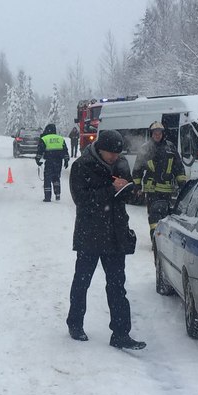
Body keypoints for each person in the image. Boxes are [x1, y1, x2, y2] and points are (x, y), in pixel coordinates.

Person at [67, 128, 146, 349]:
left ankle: (121, 334)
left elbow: (125, 193)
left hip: (115, 234)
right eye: (111, 153)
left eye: (118, 154)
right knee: (82, 282)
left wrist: (131, 191)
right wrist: (110, 189)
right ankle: (75, 324)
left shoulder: (121, 165)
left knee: (117, 286)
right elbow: (81, 199)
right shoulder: (81, 166)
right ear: (100, 149)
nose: (115, 158)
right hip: (89, 234)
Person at [133, 121, 186, 251]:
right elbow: (137, 169)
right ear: (151, 134)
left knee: (167, 217)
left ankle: (165, 241)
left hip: (167, 190)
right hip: (152, 190)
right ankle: (155, 241)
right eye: (155, 133)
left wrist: (183, 185)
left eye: (159, 133)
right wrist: (137, 186)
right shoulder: (145, 148)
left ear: (163, 134)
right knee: (154, 217)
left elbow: (178, 168)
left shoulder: (170, 148)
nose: (157, 135)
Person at [35, 123, 71, 202]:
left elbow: (40, 150)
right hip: (58, 161)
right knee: (56, 177)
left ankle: (47, 197)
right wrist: (66, 160)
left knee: (47, 178)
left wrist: (37, 159)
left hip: (49, 161)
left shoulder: (45, 138)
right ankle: (57, 194)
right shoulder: (60, 138)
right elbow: (65, 150)